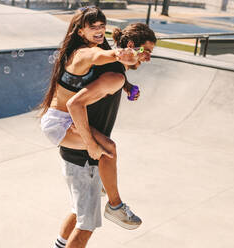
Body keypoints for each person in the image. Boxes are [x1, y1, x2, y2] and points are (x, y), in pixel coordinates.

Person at [39, 6, 156, 248]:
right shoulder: (84, 53)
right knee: (108, 149)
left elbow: (106, 65)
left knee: (77, 209)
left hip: (63, 123)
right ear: (80, 30)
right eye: (93, 27)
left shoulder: (96, 48)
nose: (100, 30)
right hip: (60, 123)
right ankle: (115, 205)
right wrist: (124, 54)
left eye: (102, 26)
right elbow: (105, 60)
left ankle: (62, 241)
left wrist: (126, 84)